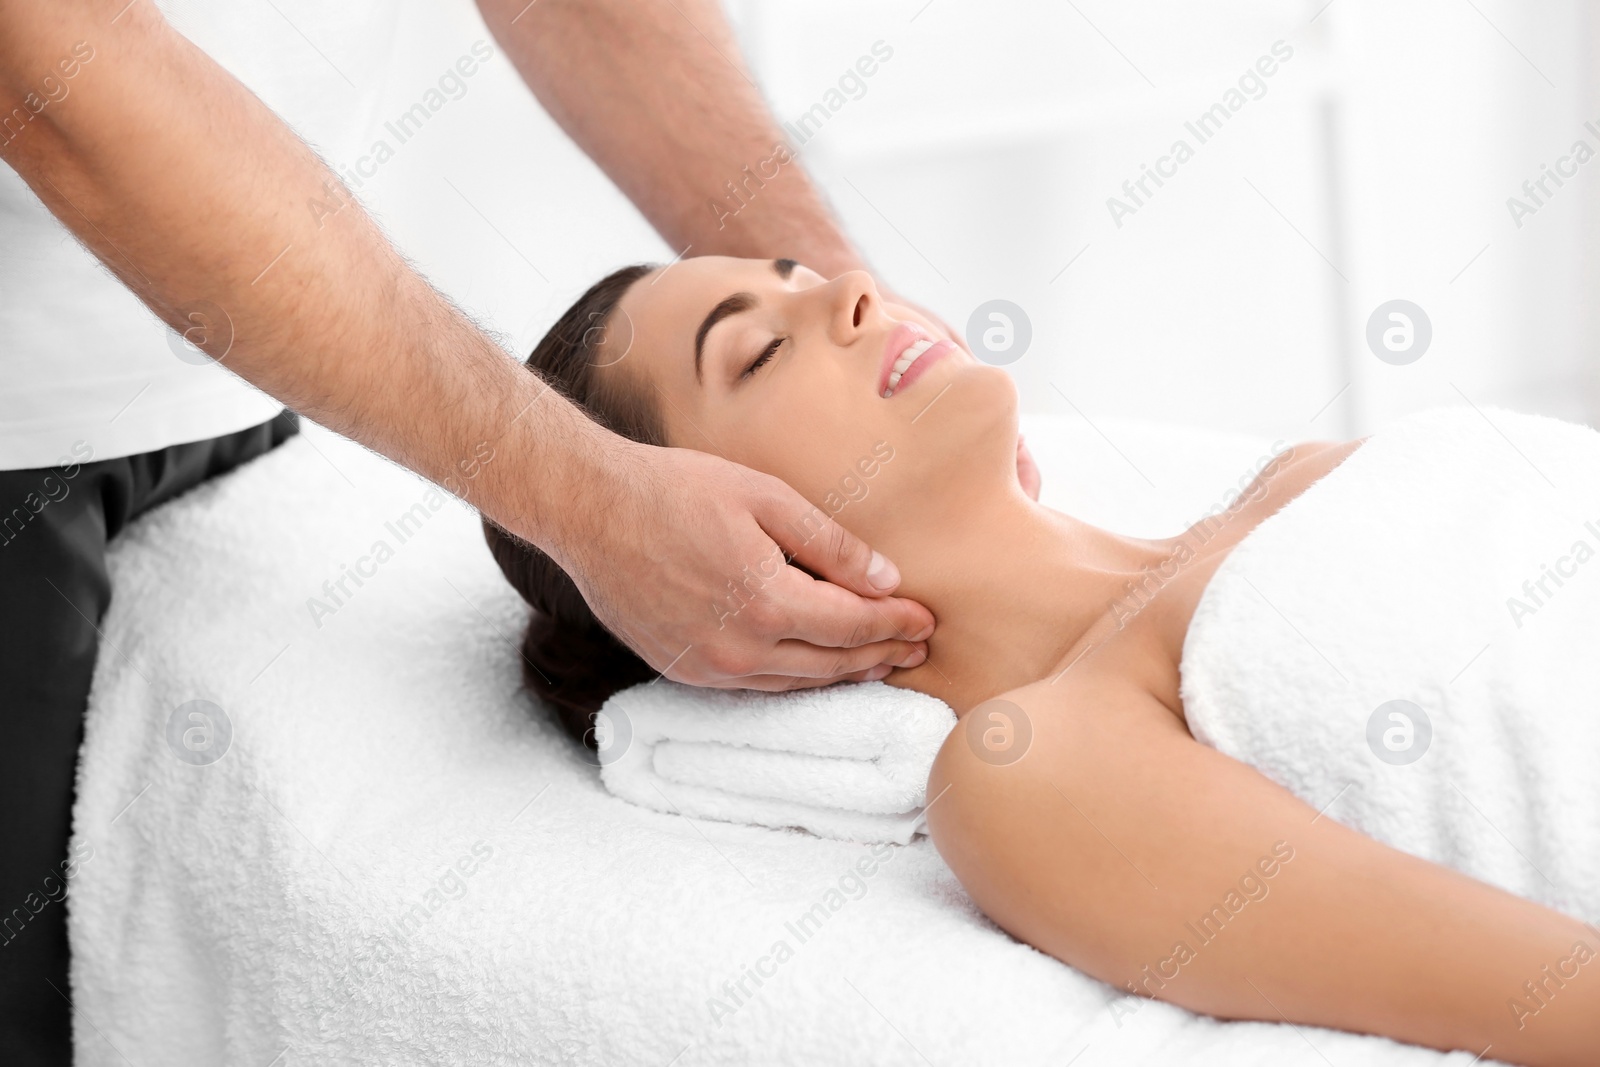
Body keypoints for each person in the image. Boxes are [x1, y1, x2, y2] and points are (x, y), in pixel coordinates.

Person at [0, 2, 1037, 1060]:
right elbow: (52, 66)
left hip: (223, 343)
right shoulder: (1038, 791)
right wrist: (584, 502)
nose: (858, 295)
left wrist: (833, 290)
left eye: (810, 293)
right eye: (753, 357)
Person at [485, 254, 1600, 1065]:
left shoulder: (1307, 473)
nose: (850, 290)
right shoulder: (1032, 767)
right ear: (712, 560)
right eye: (759, 346)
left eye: (800, 270)